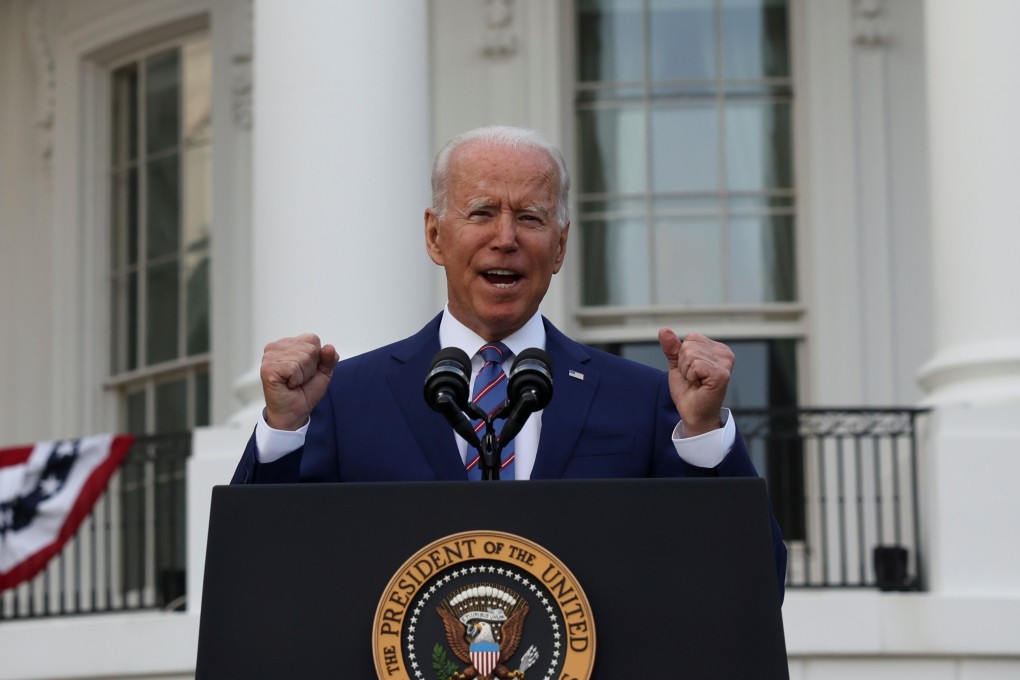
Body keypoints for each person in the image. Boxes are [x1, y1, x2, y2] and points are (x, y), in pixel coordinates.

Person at [231, 125, 787, 598]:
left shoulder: (644, 401)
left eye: (530, 217)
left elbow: (754, 584)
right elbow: (259, 581)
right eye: (481, 212)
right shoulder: (346, 398)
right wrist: (283, 429)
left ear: (561, 245)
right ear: (434, 235)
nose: (505, 238)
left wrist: (706, 433)